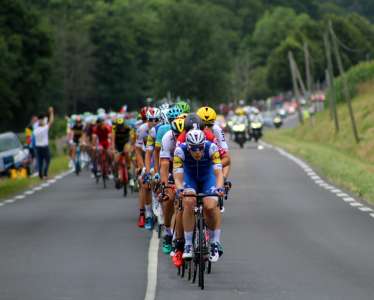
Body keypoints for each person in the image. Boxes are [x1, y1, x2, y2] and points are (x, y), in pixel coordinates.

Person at [173, 129, 224, 262]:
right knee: (188, 202)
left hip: (208, 178)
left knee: (210, 206)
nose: (197, 152)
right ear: (188, 146)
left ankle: (214, 242)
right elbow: (178, 178)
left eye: (200, 148)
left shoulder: (212, 147)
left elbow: (219, 174)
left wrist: (219, 188)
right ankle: (188, 244)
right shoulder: (179, 150)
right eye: (194, 149)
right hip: (189, 178)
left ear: (204, 144)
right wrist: (179, 189)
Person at [33, 107, 54, 180]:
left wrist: (47, 114)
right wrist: (51, 112)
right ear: (42, 120)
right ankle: (45, 174)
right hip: (44, 147)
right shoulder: (44, 128)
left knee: (40, 161)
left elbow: (41, 120)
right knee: (48, 160)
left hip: (38, 147)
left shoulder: (35, 128)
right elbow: (51, 121)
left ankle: (40, 174)